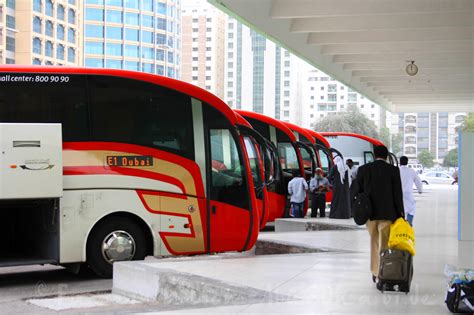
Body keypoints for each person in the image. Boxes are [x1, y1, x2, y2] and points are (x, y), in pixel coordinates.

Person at [355, 145, 405, 284]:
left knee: (374, 243)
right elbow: (397, 193)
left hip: (370, 214)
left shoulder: (363, 169)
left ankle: (375, 272)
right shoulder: (393, 170)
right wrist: (401, 213)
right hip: (388, 214)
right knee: (385, 244)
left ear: (374, 154)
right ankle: (384, 272)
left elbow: (356, 191)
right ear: (387, 155)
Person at [399, 156, 423, 226]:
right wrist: (420, 190)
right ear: (407, 162)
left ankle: (399, 225)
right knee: (411, 209)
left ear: (399, 162)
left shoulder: (396, 170)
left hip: (398, 194)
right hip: (408, 194)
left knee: (399, 209)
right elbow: (418, 181)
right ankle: (409, 225)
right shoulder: (411, 171)